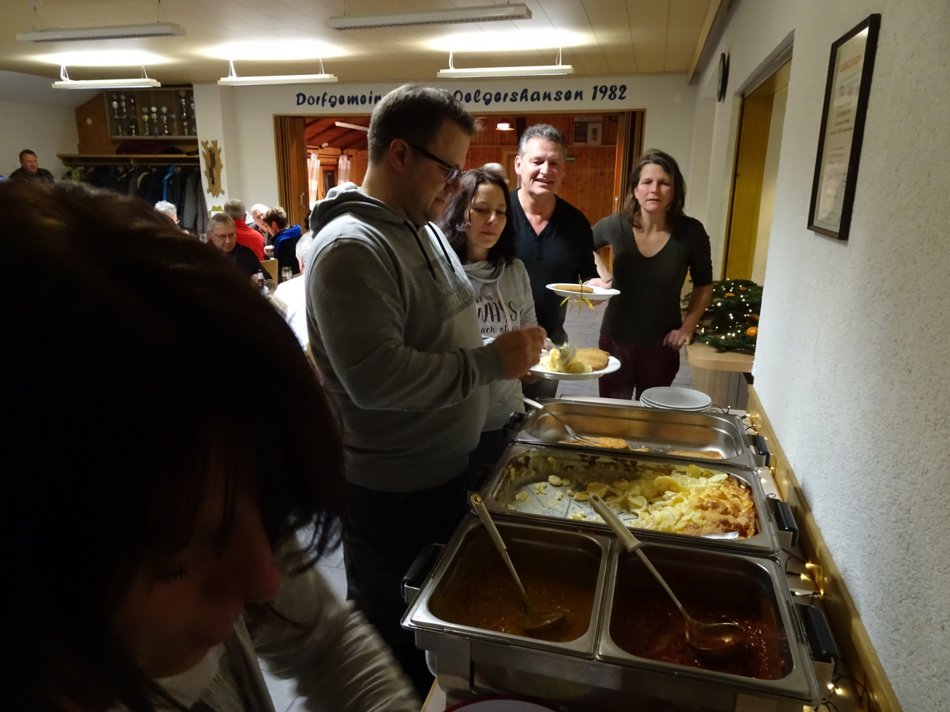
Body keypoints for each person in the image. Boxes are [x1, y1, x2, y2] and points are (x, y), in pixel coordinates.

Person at [3, 179, 419, 712]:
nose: (264, 579)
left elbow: (326, 644)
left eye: (267, 510)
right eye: (176, 547)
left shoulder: (222, 504)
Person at [306, 84, 546, 696]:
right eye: (447, 167)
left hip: (442, 474)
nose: (453, 184)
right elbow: (375, 378)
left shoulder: (425, 230)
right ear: (400, 154)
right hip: (390, 495)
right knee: (391, 644)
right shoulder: (351, 248)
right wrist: (489, 364)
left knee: (432, 633)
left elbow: (443, 332)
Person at [590, 149, 713, 400]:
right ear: (635, 189)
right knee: (613, 413)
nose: (654, 190)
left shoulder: (691, 232)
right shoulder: (616, 225)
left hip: (662, 343)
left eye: (664, 183)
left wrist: (687, 327)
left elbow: (704, 284)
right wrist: (605, 276)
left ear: (675, 191)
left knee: (652, 413)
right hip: (616, 338)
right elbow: (582, 245)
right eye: (647, 182)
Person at [440, 167, 537, 470]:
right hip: (456, 420)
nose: (493, 219)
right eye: (482, 209)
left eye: (501, 211)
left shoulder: (515, 270)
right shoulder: (440, 273)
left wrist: (534, 356)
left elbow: (528, 329)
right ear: (459, 212)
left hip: (506, 415)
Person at [510, 124, 597, 399]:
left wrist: (595, 287)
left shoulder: (575, 223)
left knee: (539, 418)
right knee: (493, 419)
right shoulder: (497, 215)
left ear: (563, 170)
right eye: (537, 161)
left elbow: (586, 274)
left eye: (554, 163)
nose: (545, 170)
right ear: (519, 164)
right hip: (498, 346)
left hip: (550, 347)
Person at [206, 211, 266, 282]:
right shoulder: (201, 257)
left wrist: (259, 278)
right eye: (222, 236)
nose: (228, 241)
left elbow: (266, 277)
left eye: (231, 235)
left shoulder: (245, 253)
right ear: (210, 236)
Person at [263, 206, 302, 278]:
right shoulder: (297, 233)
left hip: (291, 278)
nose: (267, 230)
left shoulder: (281, 242)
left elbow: (282, 268)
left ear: (274, 224)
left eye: (267, 226)